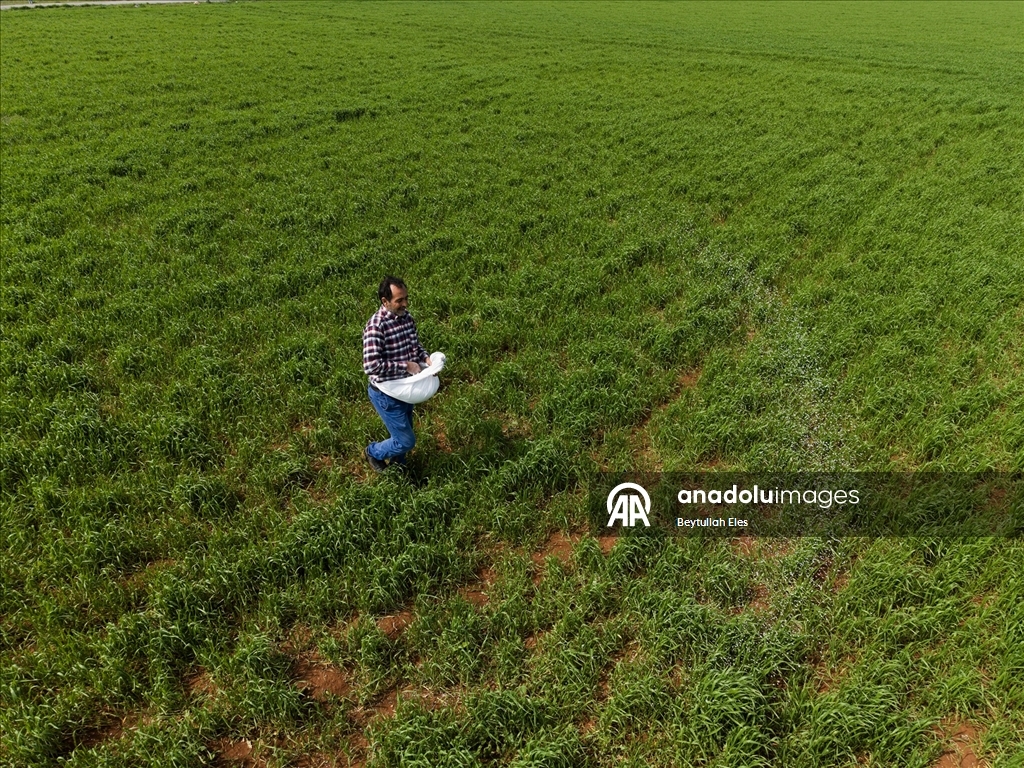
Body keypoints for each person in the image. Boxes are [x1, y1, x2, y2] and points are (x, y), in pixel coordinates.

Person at [362, 276, 431, 472]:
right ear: (385, 301)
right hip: (386, 393)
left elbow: (415, 348)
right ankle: (373, 451)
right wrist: (406, 366)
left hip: (406, 388)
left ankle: (398, 469)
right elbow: (371, 366)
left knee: (403, 434)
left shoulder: (407, 318)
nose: (405, 304)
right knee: (405, 440)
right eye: (399, 300)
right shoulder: (376, 326)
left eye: (406, 298)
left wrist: (427, 361)